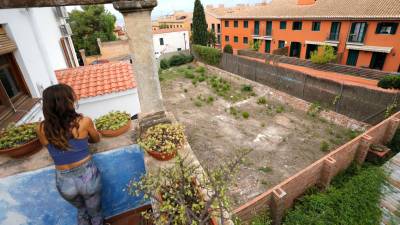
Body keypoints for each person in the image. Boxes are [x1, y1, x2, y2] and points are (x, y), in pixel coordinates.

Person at [37, 84, 104, 225]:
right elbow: (96, 139)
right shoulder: (84, 122)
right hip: (87, 176)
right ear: (68, 101)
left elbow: (49, 147)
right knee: (95, 214)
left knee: (81, 212)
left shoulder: (41, 128)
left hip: (64, 182)